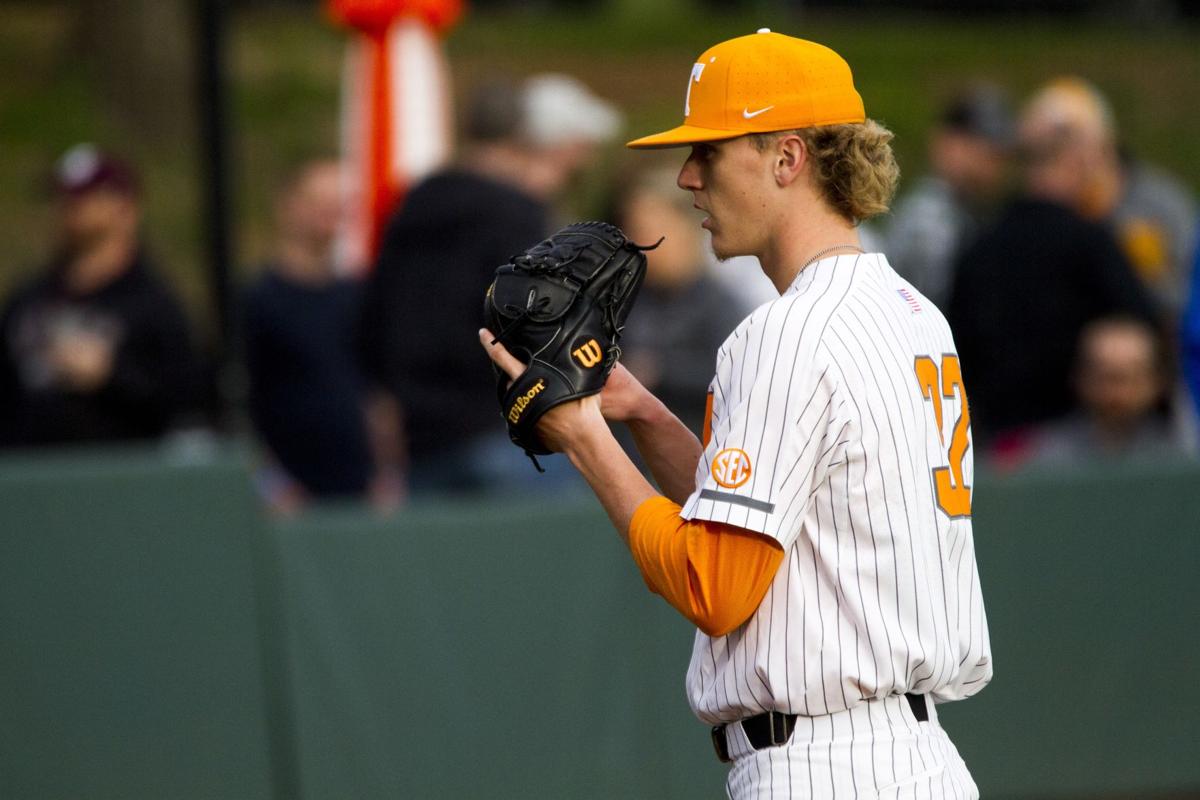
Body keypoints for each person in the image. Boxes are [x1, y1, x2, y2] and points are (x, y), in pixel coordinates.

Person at [482, 31, 990, 798]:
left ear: (787, 158)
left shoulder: (785, 333)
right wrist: (641, 414)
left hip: (822, 766)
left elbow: (713, 585)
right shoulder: (913, 311)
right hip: (919, 762)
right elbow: (775, 525)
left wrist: (584, 439)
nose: (687, 177)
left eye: (710, 152)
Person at [360, 73, 620, 493]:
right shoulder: (517, 213)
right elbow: (539, 321)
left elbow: (373, 314)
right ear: (522, 136)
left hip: (418, 436)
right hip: (498, 427)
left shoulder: (413, 204)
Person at [946, 83, 1160, 449]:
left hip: (993, 444)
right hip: (1074, 446)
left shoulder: (980, 245)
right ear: (1075, 164)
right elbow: (1142, 326)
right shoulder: (1092, 242)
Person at [0, 144, 201, 448]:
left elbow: (186, 406)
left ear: (125, 208)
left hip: (119, 480)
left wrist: (112, 376)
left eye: (83, 198)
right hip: (30, 481)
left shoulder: (154, 304)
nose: (68, 208)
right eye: (62, 198)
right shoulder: (28, 299)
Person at [242, 159, 398, 511]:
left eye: (340, 205)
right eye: (319, 202)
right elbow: (240, 400)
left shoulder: (358, 295)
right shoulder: (257, 300)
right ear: (288, 206)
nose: (330, 215)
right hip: (288, 498)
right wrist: (271, 481)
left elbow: (378, 393)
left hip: (360, 491)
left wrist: (387, 473)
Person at [613, 164, 749, 437]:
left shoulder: (720, 306)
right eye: (632, 231)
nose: (637, 244)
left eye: (649, 231)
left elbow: (738, 383)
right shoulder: (621, 300)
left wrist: (661, 372)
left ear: (686, 229)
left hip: (696, 454)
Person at [885, 85, 1015, 308]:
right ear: (946, 143)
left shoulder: (970, 212)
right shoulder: (929, 220)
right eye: (981, 146)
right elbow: (930, 308)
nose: (993, 161)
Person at [1016, 317, 1190, 469]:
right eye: (1106, 376)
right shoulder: (1047, 459)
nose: (1117, 393)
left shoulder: (1180, 458)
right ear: (1080, 378)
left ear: (1156, 382)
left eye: (1130, 377)